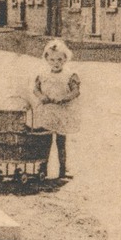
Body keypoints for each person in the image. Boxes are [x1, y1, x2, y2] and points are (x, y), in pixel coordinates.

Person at [33, 38, 80, 180]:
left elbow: (76, 91)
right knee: (44, 140)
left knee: (61, 141)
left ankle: (63, 169)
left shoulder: (70, 76)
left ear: (65, 59)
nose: (56, 63)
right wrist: (41, 96)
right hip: (47, 111)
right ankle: (42, 169)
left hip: (62, 112)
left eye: (59, 60)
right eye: (52, 60)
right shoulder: (42, 75)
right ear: (47, 59)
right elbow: (36, 89)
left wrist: (64, 98)